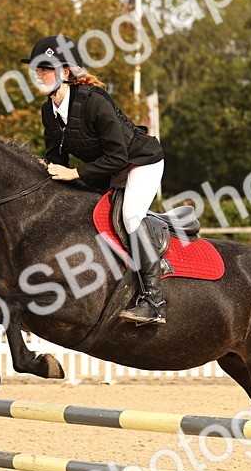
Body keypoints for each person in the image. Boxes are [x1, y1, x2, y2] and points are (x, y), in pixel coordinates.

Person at [23, 34, 168, 325]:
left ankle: (154, 301)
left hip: (139, 162)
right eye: (36, 69)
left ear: (66, 72)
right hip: (106, 169)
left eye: (45, 68)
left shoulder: (94, 102)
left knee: (130, 215)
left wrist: (75, 174)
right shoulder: (48, 111)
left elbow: (117, 157)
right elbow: (57, 160)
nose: (39, 75)